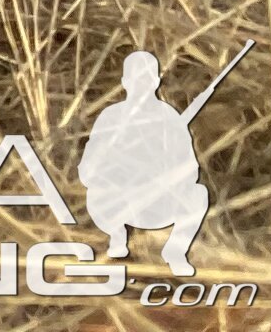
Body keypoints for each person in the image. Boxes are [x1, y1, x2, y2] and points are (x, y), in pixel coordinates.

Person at [80, 51, 211, 275]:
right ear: (124, 82)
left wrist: (167, 175)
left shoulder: (170, 118)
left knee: (198, 194)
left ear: (156, 81)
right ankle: (117, 239)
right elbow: (87, 170)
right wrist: (118, 172)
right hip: (119, 202)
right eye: (135, 78)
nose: (141, 84)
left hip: (161, 202)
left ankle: (175, 252)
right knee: (94, 194)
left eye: (146, 78)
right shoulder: (111, 117)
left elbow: (191, 168)